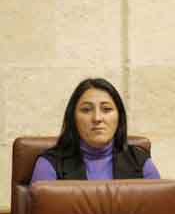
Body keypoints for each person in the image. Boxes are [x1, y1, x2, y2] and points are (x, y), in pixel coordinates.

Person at [31, 78, 160, 182]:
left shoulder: (140, 162)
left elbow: (157, 212)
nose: (97, 118)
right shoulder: (50, 165)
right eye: (86, 110)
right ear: (73, 118)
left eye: (106, 109)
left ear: (119, 117)